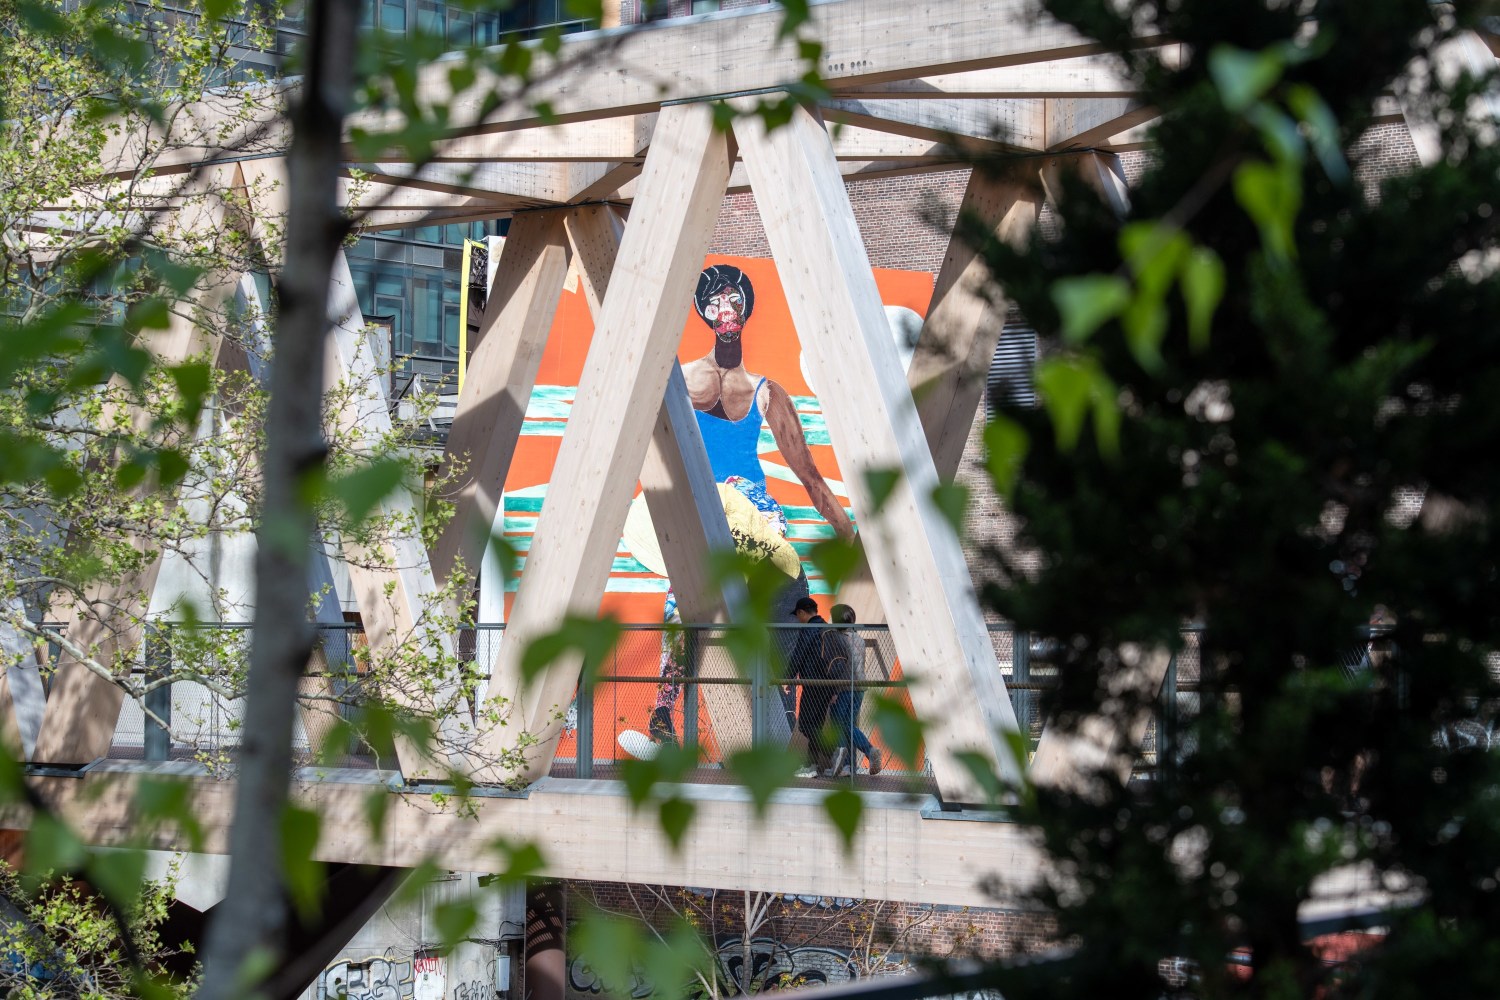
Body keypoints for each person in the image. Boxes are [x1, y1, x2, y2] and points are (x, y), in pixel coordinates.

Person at [682, 265, 855, 540]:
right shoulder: (679, 378)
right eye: (714, 303)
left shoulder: (767, 392)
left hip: (751, 514)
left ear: (746, 307)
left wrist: (850, 537)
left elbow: (810, 477)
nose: (726, 309)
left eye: (733, 299)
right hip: (693, 510)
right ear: (705, 312)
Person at [824, 604, 882, 777]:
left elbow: (838, 666)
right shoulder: (859, 639)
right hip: (859, 687)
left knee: (838, 724)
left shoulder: (837, 639)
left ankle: (843, 762)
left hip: (842, 687)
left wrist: (833, 690)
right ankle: (853, 762)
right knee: (848, 725)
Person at [786, 596, 835, 776]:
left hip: (813, 683)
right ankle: (811, 766)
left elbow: (799, 654)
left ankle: (833, 752)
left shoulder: (809, 629)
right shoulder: (826, 627)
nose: (798, 619)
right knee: (816, 725)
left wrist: (788, 677)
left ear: (802, 612)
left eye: (798, 615)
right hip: (829, 683)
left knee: (806, 725)